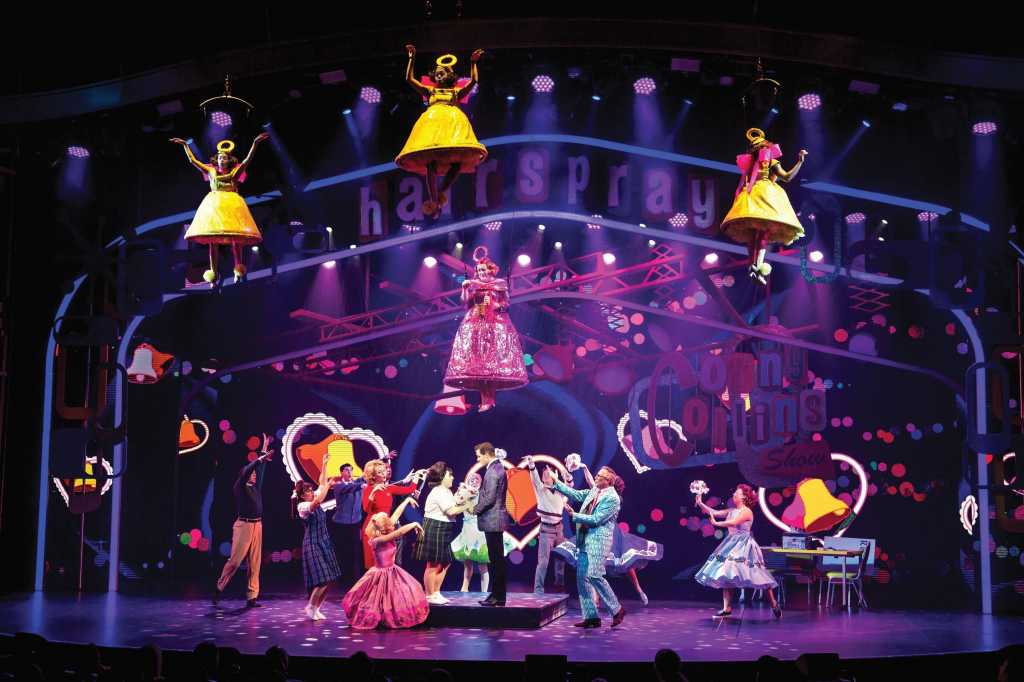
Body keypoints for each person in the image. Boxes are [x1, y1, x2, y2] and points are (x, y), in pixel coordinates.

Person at [396, 45, 488, 218]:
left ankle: (439, 195)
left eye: (443, 72)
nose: (439, 74)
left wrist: (473, 63)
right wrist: (411, 58)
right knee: (430, 162)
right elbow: (409, 79)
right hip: (432, 125)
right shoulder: (430, 91)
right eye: (437, 72)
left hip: (452, 126)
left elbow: (473, 81)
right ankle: (434, 200)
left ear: (449, 75)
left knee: (457, 163)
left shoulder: (456, 92)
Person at [169, 132, 270, 282]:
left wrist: (255, 143)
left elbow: (247, 160)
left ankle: (238, 269)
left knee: (236, 239)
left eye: (225, 158)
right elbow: (193, 161)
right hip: (215, 206)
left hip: (232, 206)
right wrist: (185, 145)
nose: (222, 160)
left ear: (229, 160)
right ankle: (213, 273)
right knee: (213, 241)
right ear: (217, 160)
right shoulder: (211, 171)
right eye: (220, 157)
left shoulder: (235, 172)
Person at [553, 476, 663, 605]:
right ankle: (596, 598)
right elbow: (592, 485)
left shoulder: (615, 499)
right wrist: (584, 468)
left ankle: (638, 590)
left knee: (626, 564)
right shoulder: (601, 493)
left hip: (610, 533)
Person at [720, 127, 807, 285]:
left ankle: (754, 266)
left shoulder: (760, 163)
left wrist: (799, 161)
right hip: (760, 197)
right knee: (759, 233)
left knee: (756, 233)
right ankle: (755, 266)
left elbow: (785, 177)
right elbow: (786, 178)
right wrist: (800, 161)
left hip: (756, 196)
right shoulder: (760, 163)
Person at [444, 248, 528, 411]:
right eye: (479, 271)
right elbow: (464, 302)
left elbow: (506, 304)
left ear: (490, 270)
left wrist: (496, 305)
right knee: (479, 365)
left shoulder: (499, 284)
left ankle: (489, 399)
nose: (481, 273)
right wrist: (464, 289)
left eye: (483, 270)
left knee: (492, 364)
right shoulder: (473, 285)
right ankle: (486, 400)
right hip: (476, 321)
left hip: (495, 323)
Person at [550, 465, 626, 628]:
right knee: (581, 577)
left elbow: (597, 519)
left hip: (599, 541)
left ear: (608, 481)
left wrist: (574, 515)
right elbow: (577, 494)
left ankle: (617, 609)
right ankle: (591, 617)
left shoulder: (613, 499)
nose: (596, 477)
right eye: (597, 475)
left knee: (594, 575)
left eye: (599, 476)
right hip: (584, 538)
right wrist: (556, 482)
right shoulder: (595, 491)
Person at [694, 483, 782, 619]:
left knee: (758, 574)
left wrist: (717, 524)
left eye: (737, 493)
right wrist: (700, 503)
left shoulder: (746, 511)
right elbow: (714, 512)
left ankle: (773, 603)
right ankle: (727, 608)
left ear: (744, 497)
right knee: (726, 571)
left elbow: (733, 522)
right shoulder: (732, 510)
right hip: (731, 543)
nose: (734, 494)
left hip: (744, 545)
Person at [341, 499, 429, 630]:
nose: (390, 522)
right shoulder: (377, 540)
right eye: (387, 521)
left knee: (392, 598)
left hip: (391, 570)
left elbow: (396, 515)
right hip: (381, 573)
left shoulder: (383, 533)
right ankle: (379, 618)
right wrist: (414, 524)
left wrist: (406, 501)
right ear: (383, 527)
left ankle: (386, 618)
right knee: (379, 598)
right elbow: (398, 532)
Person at [214, 443, 272, 607]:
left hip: (257, 526)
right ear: (244, 475)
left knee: (255, 563)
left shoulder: (255, 488)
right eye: (251, 474)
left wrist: (263, 453)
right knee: (235, 561)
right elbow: (249, 470)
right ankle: (219, 587)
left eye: (254, 474)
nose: (254, 475)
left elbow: (261, 471)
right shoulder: (239, 487)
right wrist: (258, 460)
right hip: (244, 526)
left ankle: (252, 597)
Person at [293, 453, 342, 620]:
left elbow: (321, 484)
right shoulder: (302, 506)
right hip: (313, 544)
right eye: (308, 491)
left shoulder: (312, 496)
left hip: (324, 542)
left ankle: (316, 608)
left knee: (331, 579)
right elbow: (318, 499)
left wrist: (324, 463)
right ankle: (310, 606)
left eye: (310, 490)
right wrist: (328, 485)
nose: (311, 492)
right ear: (302, 495)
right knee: (322, 580)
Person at [415, 461, 473, 604]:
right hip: (435, 527)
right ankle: (429, 595)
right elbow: (451, 511)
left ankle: (436, 592)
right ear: (441, 477)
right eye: (449, 475)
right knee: (433, 564)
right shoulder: (439, 491)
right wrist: (469, 504)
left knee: (445, 562)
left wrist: (465, 495)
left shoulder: (446, 491)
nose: (452, 478)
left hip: (444, 528)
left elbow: (454, 504)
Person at [451, 474, 514, 592]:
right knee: (467, 563)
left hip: (479, 530)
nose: (474, 482)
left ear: (480, 484)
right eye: (472, 480)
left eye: (477, 480)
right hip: (467, 531)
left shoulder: (482, 495)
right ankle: (464, 588)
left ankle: (484, 591)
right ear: (467, 481)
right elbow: (455, 503)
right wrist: (462, 492)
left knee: (482, 565)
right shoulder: (462, 492)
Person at [360, 459, 422, 570]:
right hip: (372, 529)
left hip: (386, 527)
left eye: (384, 471)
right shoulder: (368, 489)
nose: (384, 474)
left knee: (386, 564)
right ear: (373, 476)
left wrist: (417, 475)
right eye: (380, 472)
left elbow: (410, 489)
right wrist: (373, 493)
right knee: (374, 566)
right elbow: (367, 510)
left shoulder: (389, 488)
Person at [472, 442, 509, 605]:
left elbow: (490, 498)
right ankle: (497, 595)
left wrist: (475, 509)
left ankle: (498, 596)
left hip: (493, 520)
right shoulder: (497, 468)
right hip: (495, 520)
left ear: (487, 454)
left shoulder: (493, 471)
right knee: (496, 560)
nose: (478, 459)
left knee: (496, 560)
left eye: (479, 456)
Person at [523, 455, 567, 594]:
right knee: (543, 562)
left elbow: (570, 485)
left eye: (549, 474)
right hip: (546, 530)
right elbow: (534, 477)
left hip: (559, 529)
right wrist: (531, 464)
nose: (546, 476)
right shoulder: (540, 489)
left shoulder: (560, 489)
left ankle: (559, 586)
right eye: (544, 474)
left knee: (561, 558)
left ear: (554, 476)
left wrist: (563, 477)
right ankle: (538, 590)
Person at [329, 462, 367, 586]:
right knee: (341, 551)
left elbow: (366, 473)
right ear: (341, 472)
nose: (349, 472)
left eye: (351, 470)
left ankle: (355, 579)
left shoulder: (356, 483)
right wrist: (361, 485)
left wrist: (384, 459)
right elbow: (350, 488)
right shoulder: (339, 486)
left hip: (355, 523)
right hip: (340, 524)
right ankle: (339, 578)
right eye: (346, 470)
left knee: (355, 552)